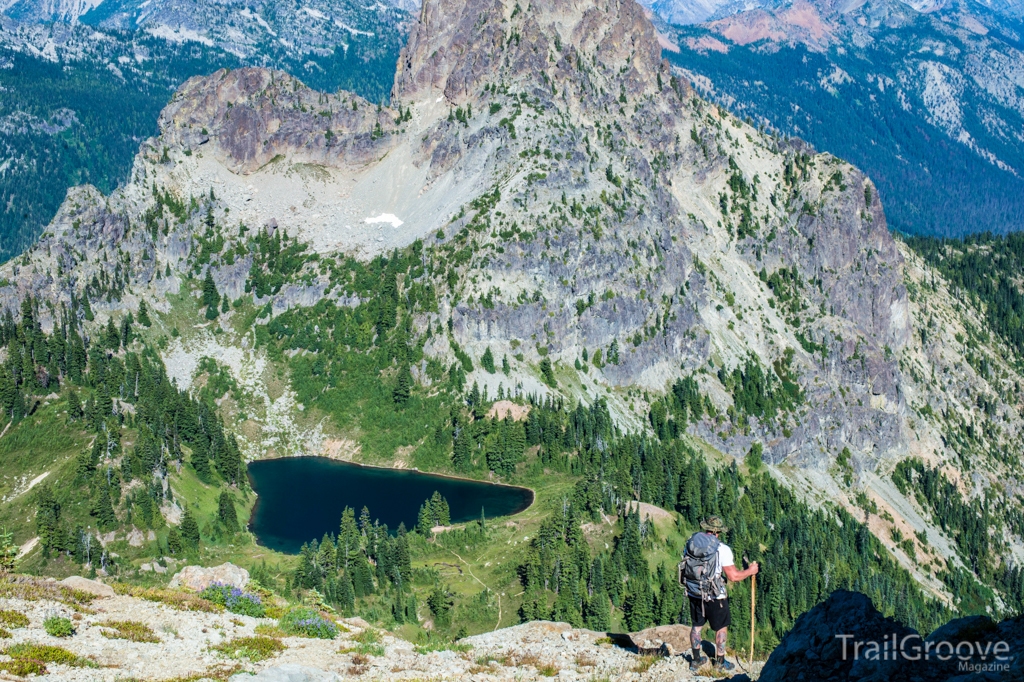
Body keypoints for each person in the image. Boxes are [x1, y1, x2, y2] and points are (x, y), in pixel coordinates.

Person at [682, 515, 758, 672]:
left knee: (696, 626)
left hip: (695, 592)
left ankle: (696, 660)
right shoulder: (722, 549)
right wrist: (751, 571)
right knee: (721, 628)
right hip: (715, 595)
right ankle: (720, 662)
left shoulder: (691, 543)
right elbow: (733, 576)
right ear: (718, 532)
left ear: (706, 528)